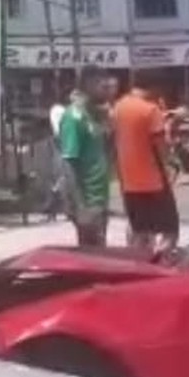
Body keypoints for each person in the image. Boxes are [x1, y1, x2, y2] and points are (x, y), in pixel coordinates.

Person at [111, 80, 179, 256]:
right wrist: (171, 161)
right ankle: (162, 263)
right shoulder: (150, 109)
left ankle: (139, 262)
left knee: (140, 230)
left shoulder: (118, 108)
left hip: (129, 182)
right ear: (154, 88)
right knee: (169, 230)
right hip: (153, 181)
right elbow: (160, 145)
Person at [59, 73, 112, 248]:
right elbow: (68, 163)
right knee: (91, 254)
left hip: (99, 196)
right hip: (87, 199)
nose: (107, 92)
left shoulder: (93, 115)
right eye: (102, 87)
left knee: (100, 250)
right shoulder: (73, 118)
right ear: (88, 86)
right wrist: (80, 206)